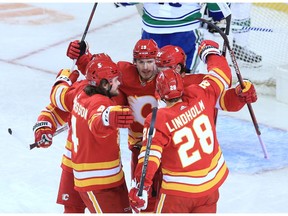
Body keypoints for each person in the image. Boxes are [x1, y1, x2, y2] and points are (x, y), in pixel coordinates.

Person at [128, 40, 233, 213]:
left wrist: (141, 188)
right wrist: (210, 52)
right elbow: (221, 75)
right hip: (211, 185)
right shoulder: (200, 93)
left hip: (179, 192)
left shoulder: (158, 118)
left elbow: (150, 158)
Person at [50, 58, 134, 213]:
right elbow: (97, 121)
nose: (119, 84)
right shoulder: (100, 103)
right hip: (101, 182)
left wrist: (63, 78)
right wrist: (107, 117)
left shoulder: (80, 91)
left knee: (72, 210)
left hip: (83, 172)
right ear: (103, 84)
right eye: (115, 80)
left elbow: (57, 96)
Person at [115, 2, 230, 73]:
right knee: (185, 75)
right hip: (185, 33)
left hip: (151, 34)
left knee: (149, 75)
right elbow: (218, 12)